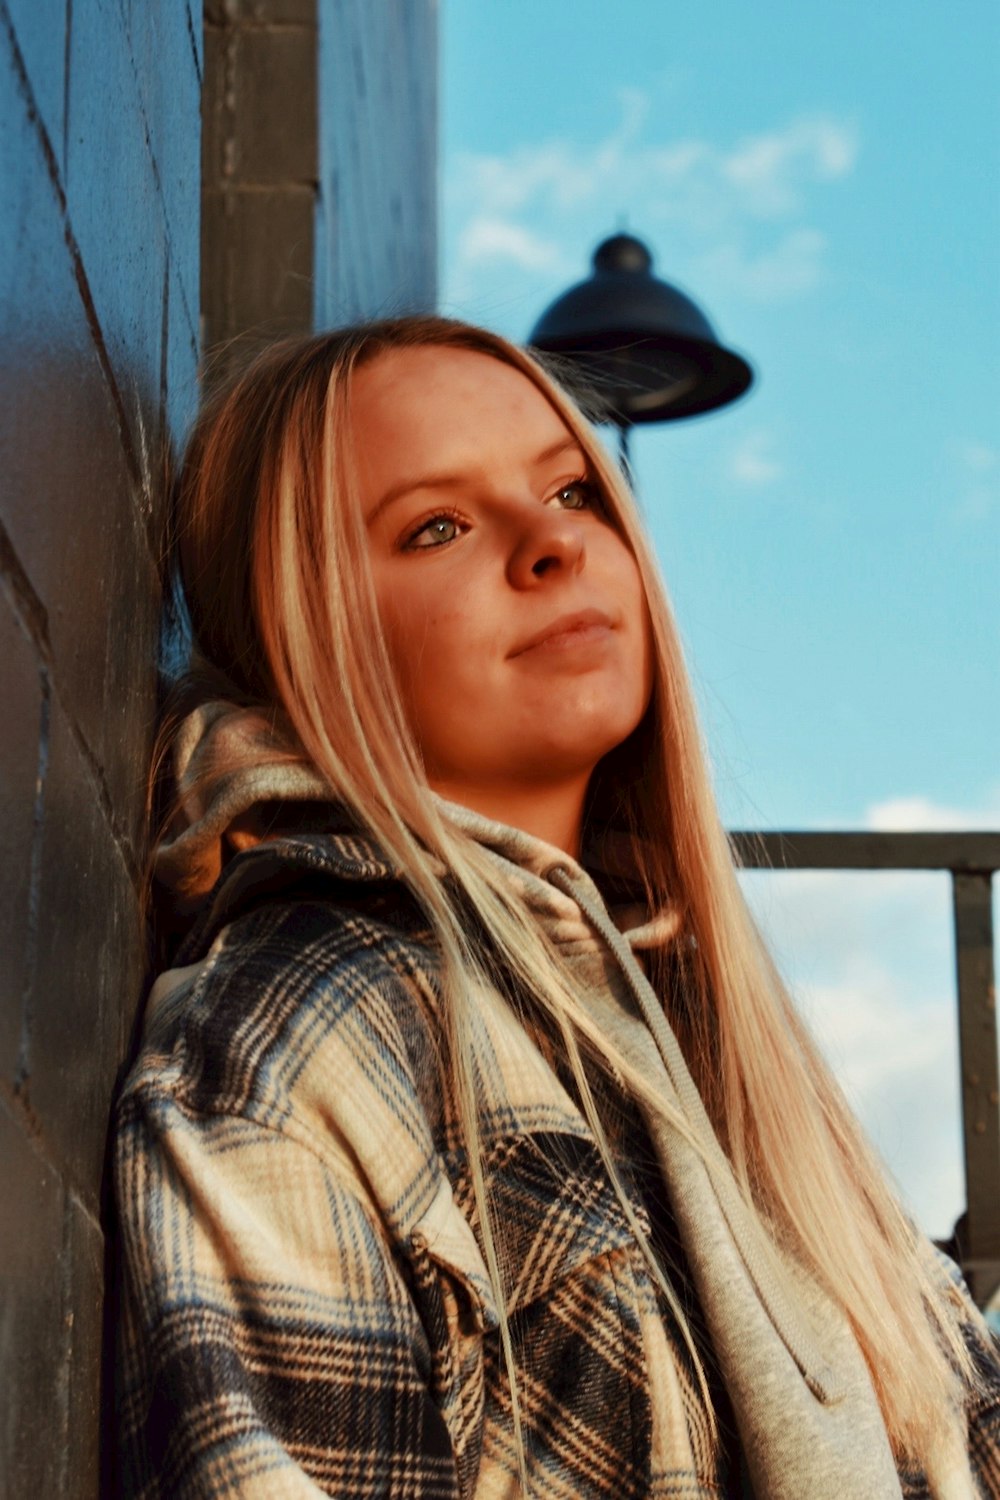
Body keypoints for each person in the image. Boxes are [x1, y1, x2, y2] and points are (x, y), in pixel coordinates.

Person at [113, 315, 999, 1499]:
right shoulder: (299, 1032)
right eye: (436, 526)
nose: (550, 546)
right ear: (298, 635)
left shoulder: (705, 1038)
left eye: (575, 491)